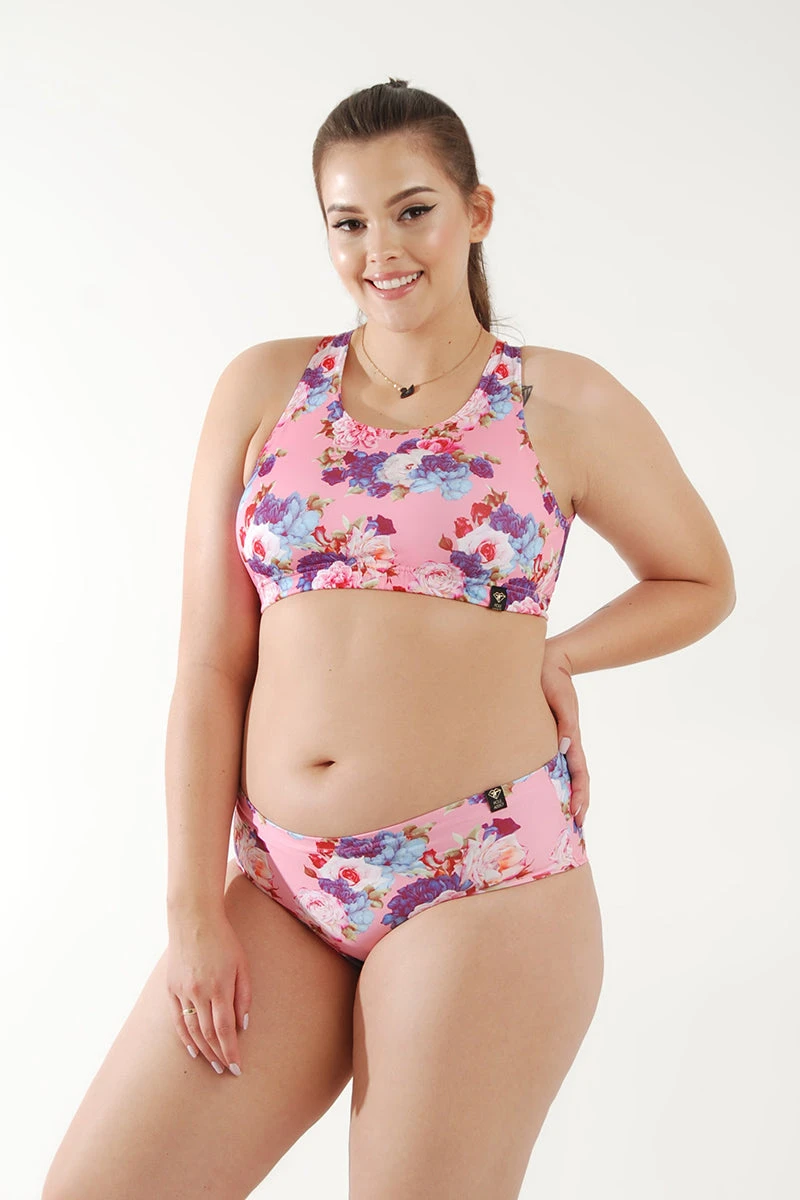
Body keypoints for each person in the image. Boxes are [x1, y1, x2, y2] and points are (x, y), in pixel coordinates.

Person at [42, 78, 736, 1200]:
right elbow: (209, 666)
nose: (381, 250)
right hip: (281, 889)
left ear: (476, 211)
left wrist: (557, 654)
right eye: (349, 222)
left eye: (412, 211)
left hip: (483, 881)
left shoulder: (558, 403)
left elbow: (699, 578)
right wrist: (190, 911)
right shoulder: (264, 388)